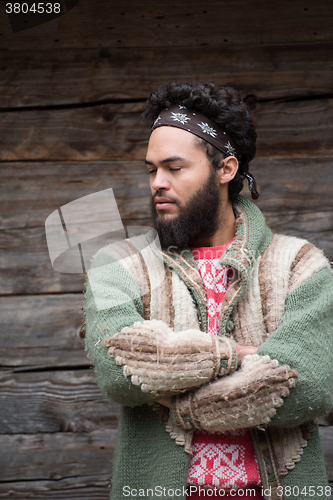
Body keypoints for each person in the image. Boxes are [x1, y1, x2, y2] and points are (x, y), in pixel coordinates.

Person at [84, 82, 333, 500]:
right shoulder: (116, 266)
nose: (157, 183)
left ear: (226, 169)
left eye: (174, 168)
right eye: (151, 169)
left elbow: (307, 385)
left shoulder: (300, 265)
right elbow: (118, 370)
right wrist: (238, 356)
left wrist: (176, 398)